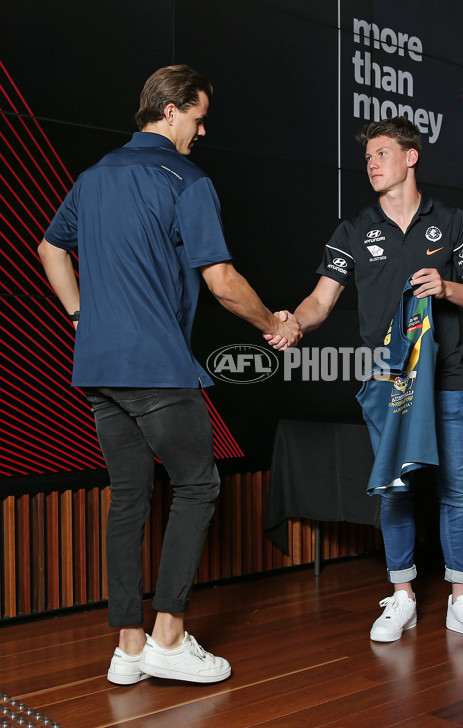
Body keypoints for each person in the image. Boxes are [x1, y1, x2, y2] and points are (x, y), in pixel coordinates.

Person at [38, 64, 300, 686]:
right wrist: (274, 324)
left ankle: (128, 648)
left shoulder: (95, 176)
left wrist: (82, 316)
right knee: (199, 486)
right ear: (172, 109)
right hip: (154, 364)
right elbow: (223, 282)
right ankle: (169, 635)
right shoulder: (186, 179)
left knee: (129, 495)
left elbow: (50, 248)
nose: (202, 131)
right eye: (199, 117)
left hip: (99, 367)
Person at [268, 116, 463, 646]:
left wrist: (446, 287)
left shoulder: (451, 221)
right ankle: (402, 596)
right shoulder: (354, 230)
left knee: (457, 491)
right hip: (389, 384)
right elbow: (320, 300)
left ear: (410, 157)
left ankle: (462, 601)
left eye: (380, 154)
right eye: (368, 157)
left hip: (447, 382)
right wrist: (293, 323)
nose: (371, 164)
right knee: (394, 490)